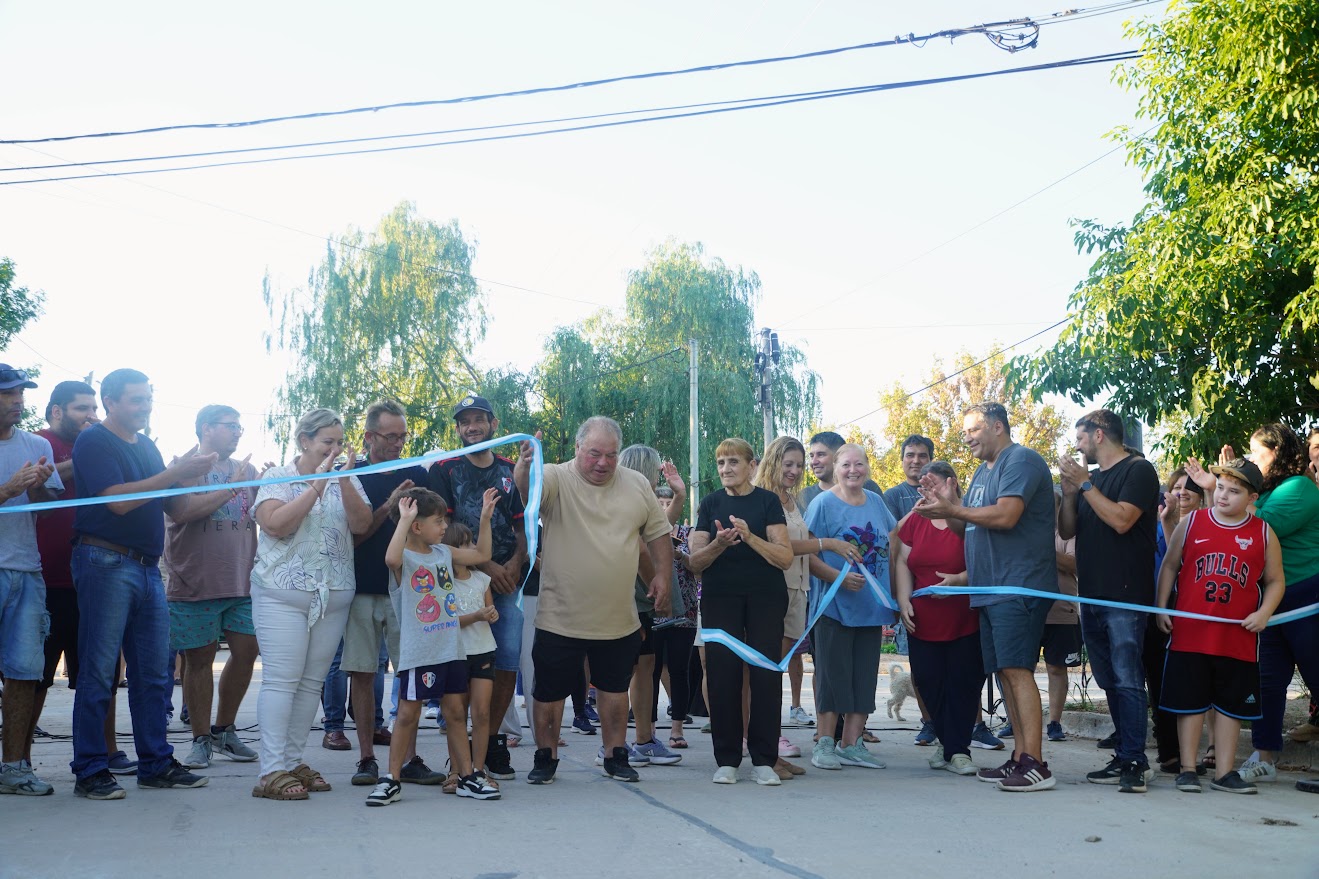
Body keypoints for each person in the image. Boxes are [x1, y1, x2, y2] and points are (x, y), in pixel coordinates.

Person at [70, 368, 215, 800]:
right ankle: (91, 770)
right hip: (104, 560)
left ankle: (155, 763)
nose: (145, 406)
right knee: (99, 672)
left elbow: (177, 508)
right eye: (136, 399)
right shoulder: (94, 440)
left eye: (148, 399)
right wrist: (174, 472)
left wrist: (202, 478)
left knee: (153, 674)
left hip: (148, 568)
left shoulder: (148, 446)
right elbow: (118, 501)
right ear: (110, 401)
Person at [513, 417, 673, 785]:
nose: (603, 462)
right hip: (559, 615)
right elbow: (527, 494)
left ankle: (616, 755)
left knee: (615, 691)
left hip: (617, 615)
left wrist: (662, 575)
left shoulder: (636, 485)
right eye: (595, 454)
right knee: (548, 693)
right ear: (577, 449)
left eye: (611, 455)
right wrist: (524, 467)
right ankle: (545, 756)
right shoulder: (554, 476)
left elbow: (658, 534)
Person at [916, 402, 1057, 792]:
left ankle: (1036, 764)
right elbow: (969, 532)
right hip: (989, 588)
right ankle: (1019, 758)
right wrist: (945, 512)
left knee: (1017, 670)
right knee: (1005, 672)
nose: (966, 437)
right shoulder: (981, 472)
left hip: (1017, 585)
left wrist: (956, 508)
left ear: (998, 426)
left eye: (974, 429)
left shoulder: (1022, 460)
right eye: (964, 432)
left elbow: (1007, 515)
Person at [249, 408, 372, 801]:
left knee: (310, 684)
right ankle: (270, 770)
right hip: (281, 596)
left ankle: (290, 760)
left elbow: (361, 525)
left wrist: (343, 479)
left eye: (339, 443)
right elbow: (276, 524)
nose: (335, 449)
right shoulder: (278, 478)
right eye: (327, 443)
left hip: (334, 595)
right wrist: (319, 482)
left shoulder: (347, 478)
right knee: (282, 681)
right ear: (304, 441)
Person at [1188, 424, 1319, 783]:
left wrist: (1221, 486)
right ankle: (1264, 757)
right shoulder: (1268, 489)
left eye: (1256, 452)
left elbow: (1259, 523)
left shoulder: (1300, 488)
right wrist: (1235, 484)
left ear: (1276, 453)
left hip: (1306, 594)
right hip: (1271, 602)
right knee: (1267, 682)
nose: (1251, 458)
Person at [1156, 458, 1285, 794]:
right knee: (1190, 703)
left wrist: (1265, 612)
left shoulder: (1263, 532)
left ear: (1252, 498)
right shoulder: (1193, 522)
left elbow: (1275, 581)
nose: (1224, 496)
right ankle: (1187, 768)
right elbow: (1169, 566)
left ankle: (1224, 772)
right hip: (1191, 633)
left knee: (1230, 705)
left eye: (1235, 491)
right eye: (1221, 488)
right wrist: (1161, 607)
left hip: (1237, 637)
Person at [369, 487, 501, 805]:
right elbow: (390, 558)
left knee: (456, 713)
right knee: (407, 715)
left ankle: (469, 776)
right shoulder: (404, 558)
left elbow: (482, 555)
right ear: (416, 525)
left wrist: (485, 518)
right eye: (439, 521)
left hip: (451, 649)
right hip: (420, 653)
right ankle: (391, 780)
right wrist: (404, 519)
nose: (444, 527)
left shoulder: (443, 552)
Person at [32, 381, 136, 774]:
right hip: (45, 580)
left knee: (102, 673)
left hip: (96, 578)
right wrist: (82, 460)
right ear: (56, 412)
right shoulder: (37, 444)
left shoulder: (106, 444)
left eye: (94, 407)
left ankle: (107, 751)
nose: (91, 414)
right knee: (35, 674)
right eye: (81, 408)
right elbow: (37, 478)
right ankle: (19, 759)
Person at [1058, 409, 1160, 793]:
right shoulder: (1091, 481)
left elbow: (1121, 520)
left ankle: (1136, 760)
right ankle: (1123, 752)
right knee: (1109, 680)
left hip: (1126, 596)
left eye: (1081, 437)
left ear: (1099, 435)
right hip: (1092, 595)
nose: (1077, 445)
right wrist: (1071, 494)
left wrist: (1085, 486)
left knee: (1128, 677)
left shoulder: (1139, 470)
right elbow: (1068, 530)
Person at [429, 394, 527, 782]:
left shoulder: (510, 470)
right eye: (464, 421)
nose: (472, 426)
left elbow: (523, 526)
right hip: (462, 583)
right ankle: (460, 752)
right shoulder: (445, 470)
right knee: (464, 664)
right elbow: (442, 535)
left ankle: (490, 742)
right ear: (458, 429)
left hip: (509, 582)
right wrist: (486, 566)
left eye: (479, 420)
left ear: (493, 424)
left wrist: (516, 564)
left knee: (507, 660)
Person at [337, 401, 433, 787]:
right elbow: (356, 536)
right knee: (362, 674)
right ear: (369, 437)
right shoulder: (352, 477)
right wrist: (390, 505)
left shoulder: (414, 472)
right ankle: (366, 759)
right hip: (360, 589)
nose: (397, 443)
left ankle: (409, 758)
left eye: (402, 436)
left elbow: (432, 529)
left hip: (406, 591)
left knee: (409, 674)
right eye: (390, 436)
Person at [687, 437, 793, 785]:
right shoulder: (710, 503)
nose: (726, 469)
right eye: (720, 463)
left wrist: (750, 537)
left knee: (764, 674)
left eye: (733, 462)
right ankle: (727, 759)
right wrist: (719, 543)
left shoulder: (767, 502)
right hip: (720, 598)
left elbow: (784, 557)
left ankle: (764, 760)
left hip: (765, 598)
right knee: (722, 676)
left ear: (751, 466)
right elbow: (694, 563)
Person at [754, 434, 860, 778]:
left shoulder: (791, 500)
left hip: (798, 592)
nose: (796, 471)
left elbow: (806, 555)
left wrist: (835, 576)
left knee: (776, 673)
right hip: (774, 591)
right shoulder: (764, 500)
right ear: (773, 462)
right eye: (789, 464)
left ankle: (770, 746)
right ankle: (763, 750)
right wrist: (826, 542)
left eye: (799, 465)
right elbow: (786, 548)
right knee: (767, 674)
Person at [164, 405, 261, 771]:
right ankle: (200, 739)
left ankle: (224, 730)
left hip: (242, 582)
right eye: (230, 426)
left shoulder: (248, 471)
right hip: (195, 581)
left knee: (246, 652)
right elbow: (183, 511)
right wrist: (231, 487)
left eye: (240, 426)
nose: (238, 433)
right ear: (206, 428)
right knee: (199, 661)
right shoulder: (185, 466)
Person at [804, 443, 896, 774]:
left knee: (863, 678)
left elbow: (894, 542)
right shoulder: (822, 504)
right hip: (834, 608)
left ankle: (852, 744)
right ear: (835, 467)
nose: (853, 470)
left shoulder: (876, 501)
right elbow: (808, 552)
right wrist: (837, 580)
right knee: (833, 676)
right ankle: (825, 743)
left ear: (867, 466)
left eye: (859, 464)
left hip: (872, 609)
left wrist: (894, 596)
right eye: (846, 465)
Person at [893, 460, 980, 776]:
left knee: (963, 684)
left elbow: (988, 561)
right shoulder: (916, 519)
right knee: (929, 682)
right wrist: (903, 600)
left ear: (953, 483)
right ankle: (947, 742)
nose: (928, 491)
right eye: (923, 487)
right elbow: (902, 560)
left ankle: (958, 750)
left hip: (965, 618)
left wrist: (959, 580)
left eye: (935, 485)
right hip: (922, 618)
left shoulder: (970, 518)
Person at [0, 364, 62, 796]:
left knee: (24, 672)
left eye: (20, 392)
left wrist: (37, 485)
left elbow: (44, 507)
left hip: (27, 571)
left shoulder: (36, 444)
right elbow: (9, 495)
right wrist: (7, 489)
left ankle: (15, 768)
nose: (18, 399)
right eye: (8, 393)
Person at [617, 444, 684, 768]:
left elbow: (660, 528)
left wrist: (679, 496)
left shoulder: (643, 499)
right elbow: (644, 545)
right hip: (631, 595)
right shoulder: (623, 498)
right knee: (625, 670)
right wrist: (661, 592)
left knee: (645, 668)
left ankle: (643, 740)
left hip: (644, 596)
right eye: (655, 467)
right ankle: (614, 743)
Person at [1146, 467, 1206, 772]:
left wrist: (1170, 522)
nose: (1181, 491)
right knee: (1157, 680)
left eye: (1189, 488)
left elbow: (1179, 563)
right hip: (1158, 605)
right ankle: (1168, 750)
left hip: (1189, 607)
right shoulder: (1157, 521)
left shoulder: (1205, 526)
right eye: (1177, 486)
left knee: (1187, 681)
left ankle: (1192, 754)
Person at [445, 520, 501, 793]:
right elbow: (446, 621)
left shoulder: (482, 579)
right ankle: (456, 770)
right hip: (454, 654)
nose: (472, 548)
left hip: (483, 650)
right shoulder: (442, 582)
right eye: (466, 543)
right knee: (456, 714)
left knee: (481, 712)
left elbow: (490, 612)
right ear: (452, 550)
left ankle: (478, 769)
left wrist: (490, 614)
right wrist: (477, 616)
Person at [800, 430, 882, 510]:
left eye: (821, 455)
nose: (814, 461)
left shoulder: (868, 488)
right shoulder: (804, 496)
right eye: (811, 456)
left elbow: (887, 522)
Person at [883, 435, 933, 520]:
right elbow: (891, 532)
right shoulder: (892, 496)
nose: (916, 461)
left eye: (922, 456)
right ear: (902, 460)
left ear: (930, 460)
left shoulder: (942, 491)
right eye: (910, 455)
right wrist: (916, 511)